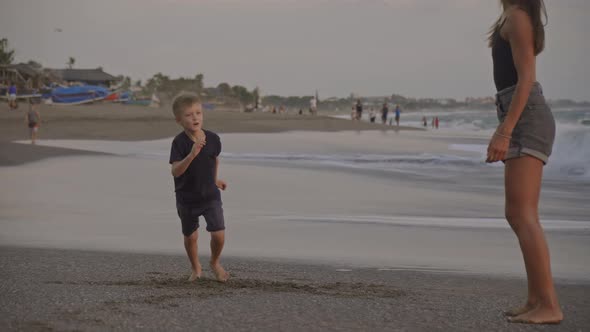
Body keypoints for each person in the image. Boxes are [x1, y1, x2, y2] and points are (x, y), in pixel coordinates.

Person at [487, 0, 562, 324]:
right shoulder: (512, 14)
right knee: (516, 212)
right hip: (520, 113)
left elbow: (526, 77)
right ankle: (535, 299)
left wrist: (505, 131)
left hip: (525, 117)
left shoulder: (517, 17)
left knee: (522, 213)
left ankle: (549, 304)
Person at [169, 93, 229, 283]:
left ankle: (214, 262)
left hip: (210, 195)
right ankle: (196, 268)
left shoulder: (213, 138)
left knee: (218, 234)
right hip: (187, 198)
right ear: (179, 120)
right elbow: (175, 171)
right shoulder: (179, 143)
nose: (195, 117)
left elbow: (214, 159)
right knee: (191, 236)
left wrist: (215, 179)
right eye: (189, 115)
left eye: (198, 113)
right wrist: (191, 155)